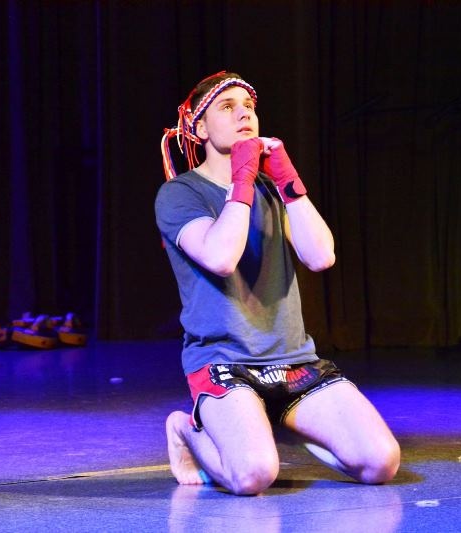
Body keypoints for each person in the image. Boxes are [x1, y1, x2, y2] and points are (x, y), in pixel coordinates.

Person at [155, 72, 400, 495]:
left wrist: (289, 184)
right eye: (227, 107)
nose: (244, 115)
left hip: (293, 363)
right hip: (224, 362)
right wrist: (242, 181)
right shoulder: (180, 194)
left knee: (380, 462)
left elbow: (321, 257)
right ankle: (186, 431)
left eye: (249, 107)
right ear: (199, 128)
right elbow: (220, 257)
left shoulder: (271, 190)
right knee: (254, 475)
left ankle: (279, 422)